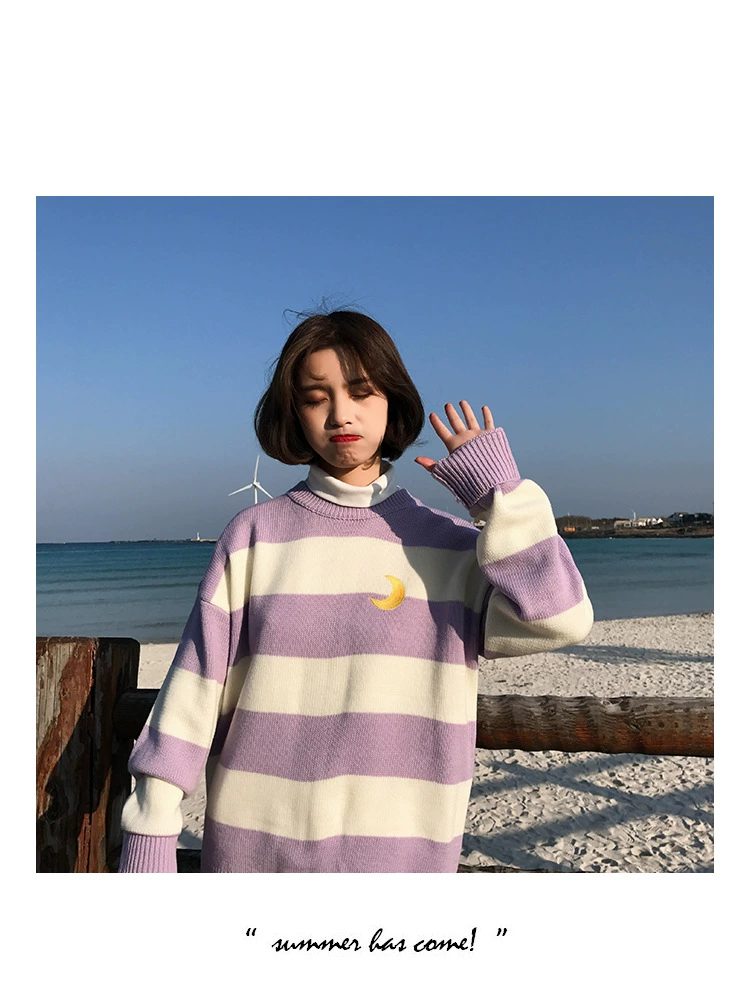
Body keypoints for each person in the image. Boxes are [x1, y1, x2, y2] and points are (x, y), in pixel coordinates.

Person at [118, 309, 593, 873]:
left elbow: (560, 617)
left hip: (404, 860)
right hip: (254, 854)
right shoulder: (253, 536)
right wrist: (150, 826)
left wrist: (499, 497)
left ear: (392, 399)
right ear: (293, 412)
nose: (341, 413)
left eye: (362, 392)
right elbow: (194, 689)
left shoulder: (452, 549)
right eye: (315, 397)